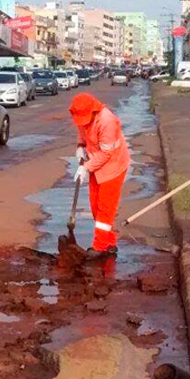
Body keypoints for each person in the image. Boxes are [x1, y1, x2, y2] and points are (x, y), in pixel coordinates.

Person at [69, 93, 132, 260]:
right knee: (95, 206)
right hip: (96, 164)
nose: (82, 121)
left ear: (93, 111)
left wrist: (86, 168)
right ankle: (109, 242)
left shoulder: (107, 121)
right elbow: (82, 131)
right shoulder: (82, 117)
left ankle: (100, 246)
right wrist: (80, 146)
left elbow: (106, 154)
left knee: (105, 208)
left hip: (113, 166)